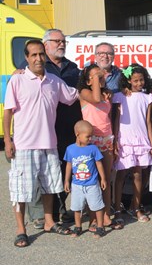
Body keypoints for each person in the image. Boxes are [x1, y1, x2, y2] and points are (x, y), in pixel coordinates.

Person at [4, 40, 78, 247]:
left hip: (49, 144)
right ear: (27, 58)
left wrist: (100, 86)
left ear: (45, 56)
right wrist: (8, 140)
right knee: (20, 191)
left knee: (49, 187)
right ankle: (21, 230)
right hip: (24, 145)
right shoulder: (17, 81)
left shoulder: (54, 81)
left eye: (41, 55)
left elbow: (75, 95)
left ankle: (48, 222)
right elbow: (8, 112)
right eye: (33, 55)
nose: (38, 59)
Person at [77, 64, 123, 230]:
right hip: (91, 140)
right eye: (96, 76)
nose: (101, 78)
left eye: (102, 76)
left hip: (106, 138)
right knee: (92, 181)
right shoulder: (84, 92)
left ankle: (106, 215)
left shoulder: (105, 94)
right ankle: (93, 218)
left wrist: (115, 139)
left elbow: (108, 116)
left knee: (106, 179)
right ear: (88, 80)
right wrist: (97, 77)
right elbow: (95, 99)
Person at [112, 64, 152, 223]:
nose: (139, 83)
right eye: (135, 80)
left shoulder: (147, 97)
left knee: (138, 175)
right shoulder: (120, 96)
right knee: (121, 175)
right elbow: (116, 120)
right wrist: (115, 140)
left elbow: (148, 122)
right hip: (125, 141)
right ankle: (117, 210)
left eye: (141, 80)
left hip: (141, 140)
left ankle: (135, 207)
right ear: (128, 81)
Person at [63, 120, 108, 238]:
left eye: (91, 136)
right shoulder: (70, 149)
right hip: (77, 184)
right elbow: (69, 165)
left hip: (92, 184)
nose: (90, 139)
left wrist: (102, 178)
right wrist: (66, 180)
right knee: (76, 207)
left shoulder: (93, 149)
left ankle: (100, 226)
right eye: (88, 136)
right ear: (78, 134)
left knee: (97, 205)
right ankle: (78, 227)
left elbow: (99, 164)